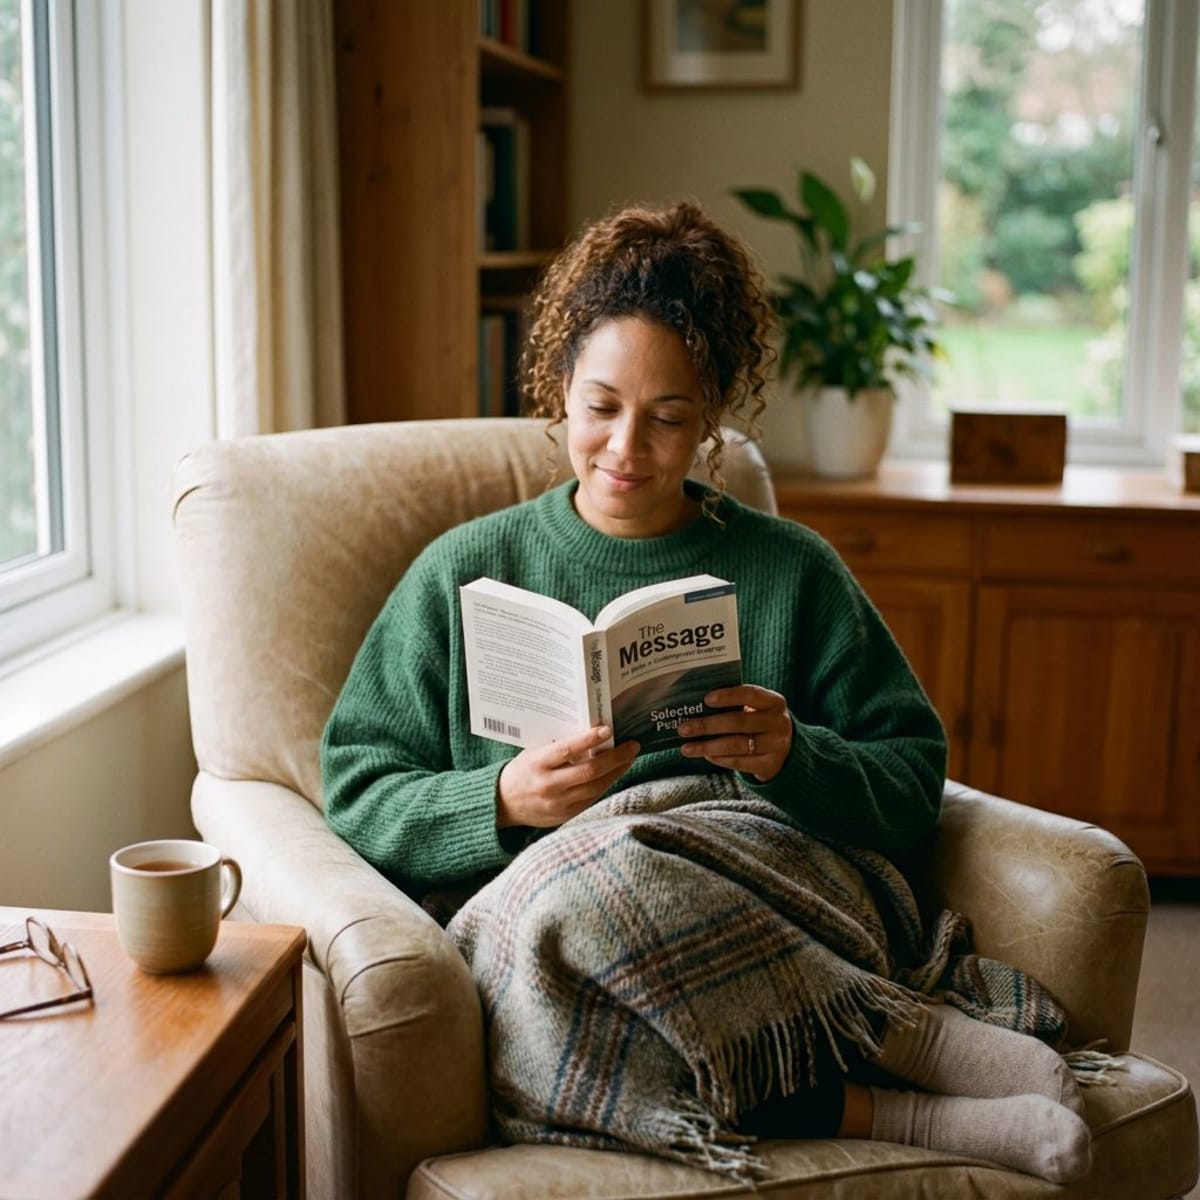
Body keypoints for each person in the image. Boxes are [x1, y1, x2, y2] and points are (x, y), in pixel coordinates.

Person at [321, 201, 1090, 1183]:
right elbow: (354, 786)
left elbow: (909, 780)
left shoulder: (792, 569)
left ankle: (902, 1047)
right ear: (559, 390)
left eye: (669, 417)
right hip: (558, 927)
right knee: (545, 987)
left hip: (760, 879)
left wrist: (794, 756)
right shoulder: (465, 570)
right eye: (601, 407)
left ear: (715, 415)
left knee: (604, 893)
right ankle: (908, 1081)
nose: (626, 449)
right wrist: (501, 801)